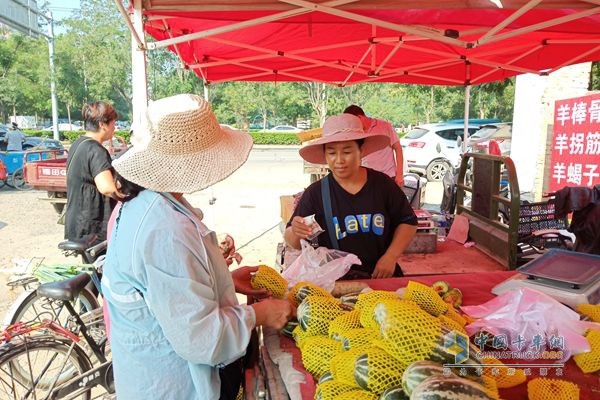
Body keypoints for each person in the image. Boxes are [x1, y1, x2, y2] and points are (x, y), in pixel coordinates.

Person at [102, 94, 293, 400]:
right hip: (174, 386)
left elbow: (167, 298)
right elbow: (202, 338)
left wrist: (224, 282)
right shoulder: (164, 229)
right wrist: (258, 314)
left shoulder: (146, 204)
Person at [284, 113, 418, 279]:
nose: (339, 160)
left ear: (361, 151)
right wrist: (296, 231)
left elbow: (408, 222)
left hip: (381, 276)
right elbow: (293, 241)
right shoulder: (315, 193)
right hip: (336, 281)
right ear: (325, 155)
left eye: (347, 151)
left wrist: (390, 257)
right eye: (332, 153)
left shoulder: (383, 185)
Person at [64, 101, 122, 243]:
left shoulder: (78, 144)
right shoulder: (96, 150)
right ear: (102, 124)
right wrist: (127, 198)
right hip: (92, 229)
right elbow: (107, 188)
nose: (115, 128)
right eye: (113, 124)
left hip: (77, 222)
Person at [344, 104, 406, 186]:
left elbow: (398, 149)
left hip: (388, 176)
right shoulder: (355, 133)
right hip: (366, 179)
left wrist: (400, 175)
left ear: (360, 117)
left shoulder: (385, 126)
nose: (351, 126)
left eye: (351, 123)